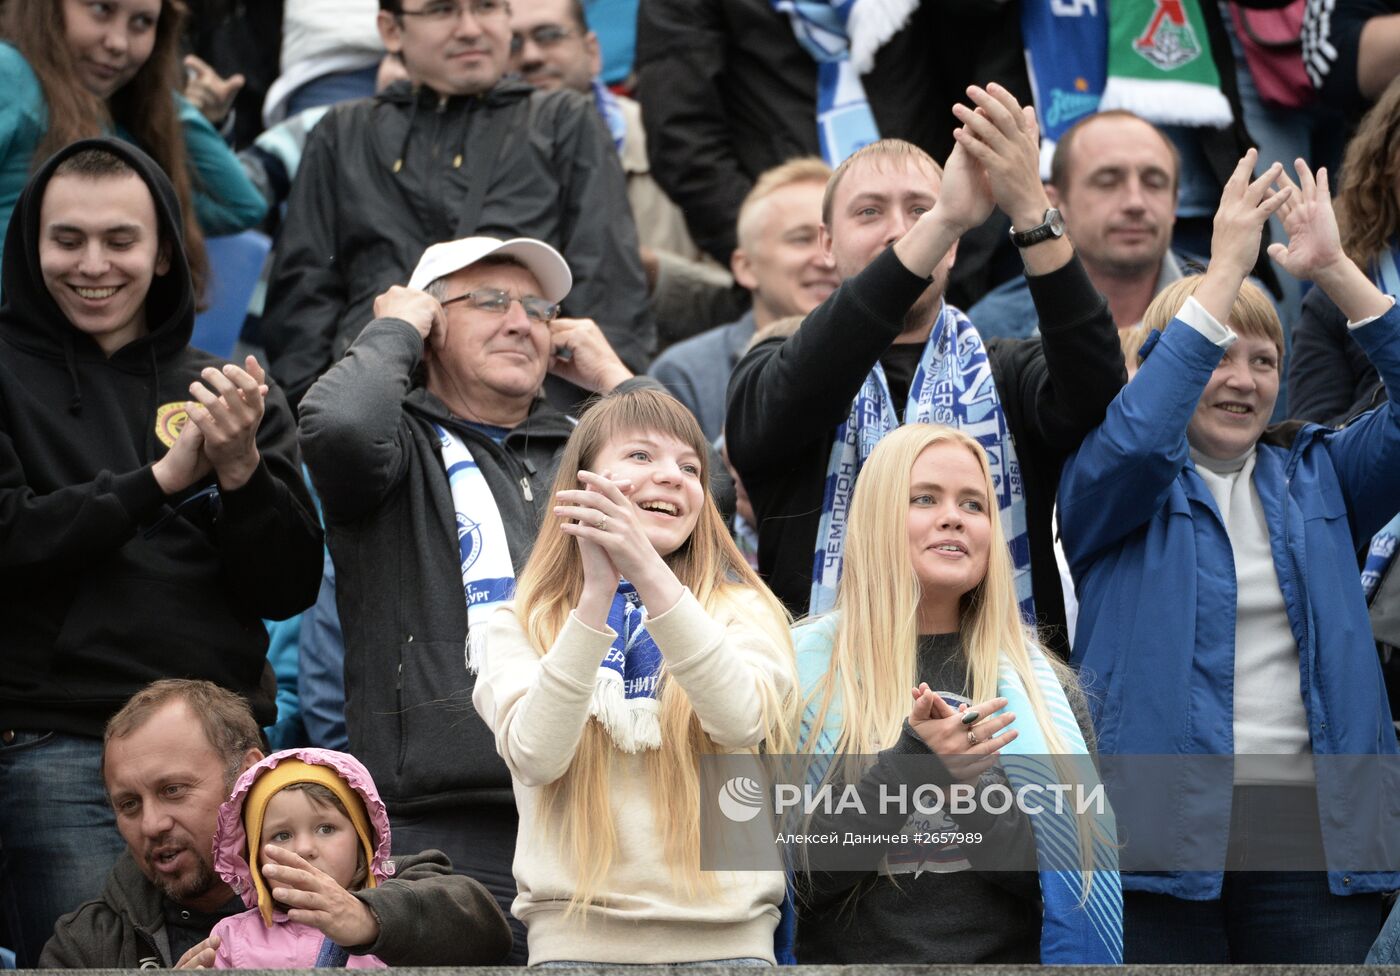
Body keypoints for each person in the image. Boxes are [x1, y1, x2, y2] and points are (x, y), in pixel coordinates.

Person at [1058, 152, 1400, 961]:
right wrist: (1223, 274)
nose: (1242, 379)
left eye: (1264, 360)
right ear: (1161, 370)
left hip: (1315, 846)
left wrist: (1336, 270)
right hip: (1156, 844)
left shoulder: (1320, 472)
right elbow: (1143, 433)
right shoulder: (1109, 476)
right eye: (1215, 354)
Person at [0, 137, 321, 967]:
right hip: (62, 750)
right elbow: (13, 537)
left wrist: (243, 472)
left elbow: (287, 585)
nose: (93, 264)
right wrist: (163, 480)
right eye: (67, 239)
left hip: (225, 759)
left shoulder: (229, 390)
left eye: (121, 240)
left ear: (165, 253)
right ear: (29, 245)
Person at [298, 234, 653, 962]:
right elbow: (338, 427)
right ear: (433, 324)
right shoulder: (394, 450)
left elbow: (699, 500)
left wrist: (616, 382)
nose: (521, 320)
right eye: (489, 301)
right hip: (447, 829)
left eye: (538, 307)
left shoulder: (584, 450)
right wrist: (395, 327)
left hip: (603, 819)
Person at [725, 84, 1124, 656]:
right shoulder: (773, 364)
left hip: (1000, 709)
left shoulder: (1008, 373)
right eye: (870, 212)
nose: (900, 229)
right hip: (826, 712)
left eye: (920, 210)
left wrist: (1031, 211)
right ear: (826, 244)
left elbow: (1098, 394)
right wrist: (941, 221)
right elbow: (796, 391)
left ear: (959, 247)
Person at [471, 387, 795, 965]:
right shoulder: (521, 620)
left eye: (689, 466)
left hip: (730, 944)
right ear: (581, 484)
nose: (671, 476)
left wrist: (648, 573)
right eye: (641, 457)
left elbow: (740, 718)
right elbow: (537, 755)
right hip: (574, 944)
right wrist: (595, 598)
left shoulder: (745, 609)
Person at [791, 424, 1121, 964]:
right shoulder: (799, 670)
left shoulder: (1048, 692)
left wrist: (968, 791)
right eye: (924, 498)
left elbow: (1067, 886)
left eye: (974, 504)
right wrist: (915, 767)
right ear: (875, 516)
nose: (954, 517)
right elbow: (794, 880)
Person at [262, 0, 653, 408]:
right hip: (375, 421)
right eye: (442, 10)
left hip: (528, 426)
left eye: (486, 7)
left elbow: (610, 293)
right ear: (391, 30)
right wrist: (323, 424)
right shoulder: (343, 133)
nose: (469, 28)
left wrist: (566, 436)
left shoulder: (563, 120)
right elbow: (302, 303)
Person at [41, 680, 512, 968]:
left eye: (173, 790)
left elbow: (484, 931)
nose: (152, 824)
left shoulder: (378, 880)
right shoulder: (87, 942)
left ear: (249, 773)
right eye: (128, 804)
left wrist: (367, 919)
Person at [508, 0, 742, 347]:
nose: (530, 56)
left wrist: (651, 273)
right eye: (512, 43)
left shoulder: (679, 145)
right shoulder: (476, 162)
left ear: (593, 51)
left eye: (549, 36)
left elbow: (746, 293)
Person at [0, 0, 268, 288]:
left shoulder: (116, 126)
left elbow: (240, 206)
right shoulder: (10, 73)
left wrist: (157, 95)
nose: (119, 43)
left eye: (142, 22)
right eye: (102, 9)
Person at [650, 157, 836, 440]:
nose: (826, 260)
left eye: (834, 241)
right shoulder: (683, 375)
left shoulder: (891, 359)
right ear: (745, 267)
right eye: (801, 239)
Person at [969, 111, 1187, 339]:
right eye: (1107, 182)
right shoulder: (991, 330)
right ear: (1055, 203)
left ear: (1175, 204)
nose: (1135, 202)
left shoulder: (1223, 307)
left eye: (1154, 183)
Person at [209, 749, 393, 969]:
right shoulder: (230, 939)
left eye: (326, 829)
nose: (304, 849)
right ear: (255, 860)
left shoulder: (390, 932)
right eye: (282, 835)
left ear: (362, 842)